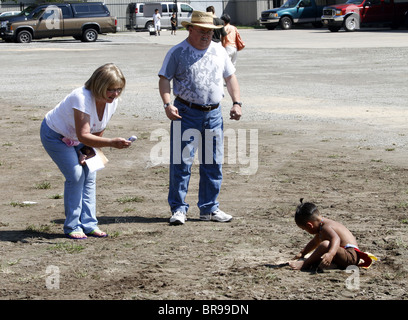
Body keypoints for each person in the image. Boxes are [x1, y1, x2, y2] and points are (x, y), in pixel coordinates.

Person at [158, 10, 242, 226]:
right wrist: (167, 104)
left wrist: (236, 102)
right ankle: (178, 208)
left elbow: (230, 77)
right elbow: (164, 79)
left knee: (213, 162)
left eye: (210, 31)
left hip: (213, 114)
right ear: (190, 29)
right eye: (202, 31)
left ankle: (209, 208)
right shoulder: (177, 52)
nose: (206, 35)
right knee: (182, 162)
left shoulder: (219, 51)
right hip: (185, 113)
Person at [40, 63, 131, 239]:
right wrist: (111, 143)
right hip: (56, 136)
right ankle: (73, 225)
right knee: (75, 175)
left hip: (79, 139)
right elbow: (83, 134)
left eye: (119, 89)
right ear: (99, 85)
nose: (116, 94)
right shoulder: (80, 97)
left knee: (90, 173)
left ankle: (90, 224)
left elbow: (98, 129)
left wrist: (87, 151)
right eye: (111, 89)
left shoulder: (113, 102)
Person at [289, 199, 376, 270]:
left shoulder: (326, 227)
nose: (306, 231)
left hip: (351, 257)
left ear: (309, 225)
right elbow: (315, 242)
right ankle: (329, 264)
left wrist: (330, 254)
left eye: (304, 229)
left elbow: (336, 239)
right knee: (322, 249)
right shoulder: (322, 226)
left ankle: (305, 264)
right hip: (345, 256)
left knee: (326, 244)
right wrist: (302, 253)